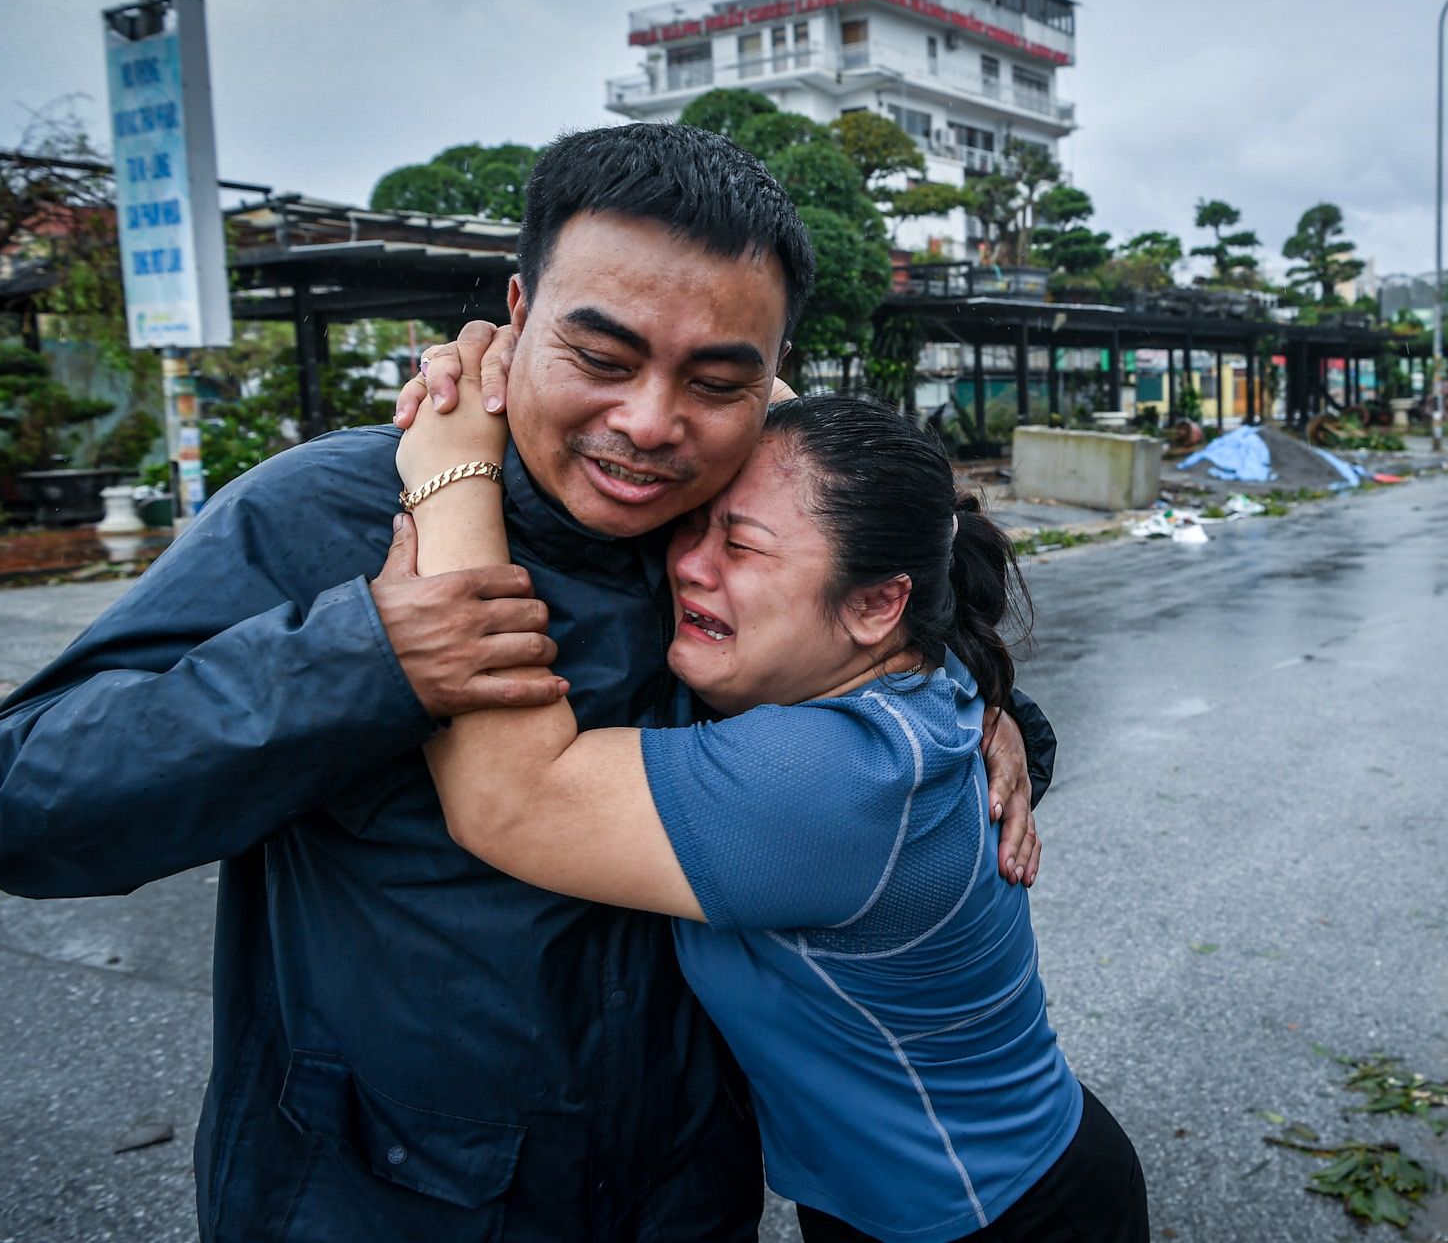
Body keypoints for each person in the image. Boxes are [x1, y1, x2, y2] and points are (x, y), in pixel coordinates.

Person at [0, 121, 1050, 1241]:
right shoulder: (326, 513)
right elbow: (23, 803)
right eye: (600, 357)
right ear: (515, 317)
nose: (648, 424)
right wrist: (357, 656)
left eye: (715, 379)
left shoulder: (722, 517)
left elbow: (883, 671)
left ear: (767, 377)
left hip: (682, 1198)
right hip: (379, 1200)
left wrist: (994, 715)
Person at [393, 373, 1148, 1242]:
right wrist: (520, 356)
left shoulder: (836, 780)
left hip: (998, 1217)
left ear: (875, 603)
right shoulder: (911, 676)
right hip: (920, 1195)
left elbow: (510, 800)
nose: (686, 562)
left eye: (740, 544)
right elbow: (764, 393)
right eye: (696, 524)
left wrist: (450, 469)